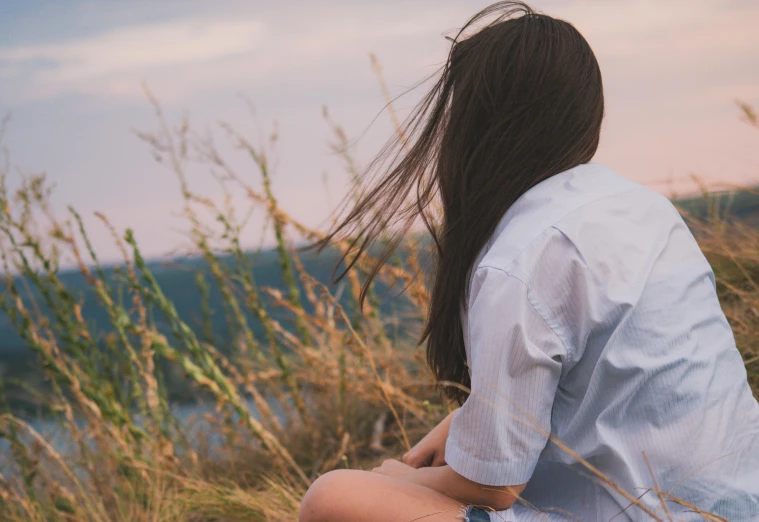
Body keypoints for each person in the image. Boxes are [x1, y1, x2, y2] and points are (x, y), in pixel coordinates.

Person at [298, 2, 759, 520]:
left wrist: (407, 479)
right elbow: (612, 374)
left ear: (479, 125)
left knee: (333, 497)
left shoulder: (521, 256)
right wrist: (464, 426)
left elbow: (494, 488)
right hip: (738, 501)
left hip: (653, 513)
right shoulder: (641, 208)